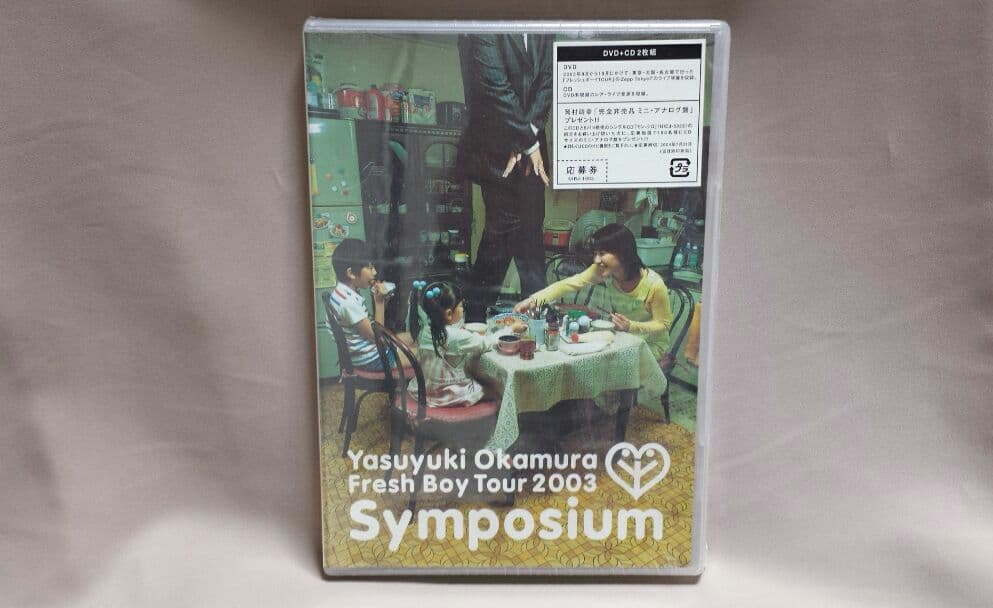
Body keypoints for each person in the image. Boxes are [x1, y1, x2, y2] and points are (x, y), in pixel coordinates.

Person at [456, 33, 554, 320]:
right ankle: (475, 318)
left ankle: (537, 323)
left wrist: (528, 139)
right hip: (497, 150)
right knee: (500, 233)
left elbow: (547, 82)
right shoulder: (484, 27)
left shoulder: (546, 26)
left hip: (531, 151)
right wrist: (528, 144)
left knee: (531, 234)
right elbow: (495, 88)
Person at [514, 224, 673, 360]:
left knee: (606, 365)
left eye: (602, 254)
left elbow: (664, 324)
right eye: (595, 254)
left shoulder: (654, 285)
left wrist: (631, 326)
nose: (596, 260)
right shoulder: (602, 270)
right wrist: (532, 301)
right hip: (623, 338)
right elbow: (567, 284)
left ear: (623, 253)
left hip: (651, 345)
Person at [408, 281, 524, 408]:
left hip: (424, 389)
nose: (463, 309)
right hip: (446, 394)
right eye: (461, 306)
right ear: (448, 314)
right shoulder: (455, 336)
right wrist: (511, 329)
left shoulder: (425, 328)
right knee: (497, 389)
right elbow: (486, 343)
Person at [328, 238, 412, 371]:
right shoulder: (348, 303)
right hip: (373, 359)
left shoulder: (342, 292)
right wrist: (379, 302)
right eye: (370, 267)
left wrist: (383, 300)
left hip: (370, 350)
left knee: (414, 338)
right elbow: (378, 338)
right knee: (425, 353)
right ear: (351, 273)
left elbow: (370, 326)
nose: (375, 272)